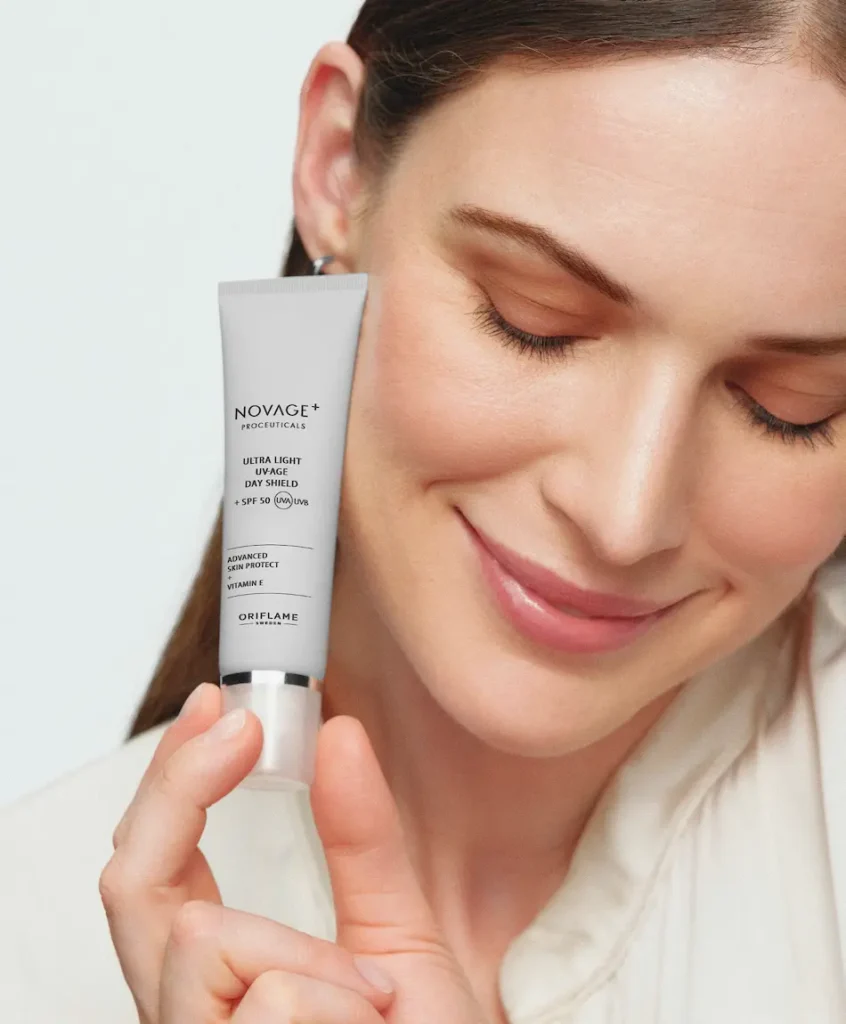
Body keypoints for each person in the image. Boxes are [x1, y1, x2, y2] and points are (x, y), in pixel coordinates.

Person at [3, 1, 846, 1021]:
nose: (626, 518)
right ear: (337, 169)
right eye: (534, 322)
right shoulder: (32, 947)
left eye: (789, 407)